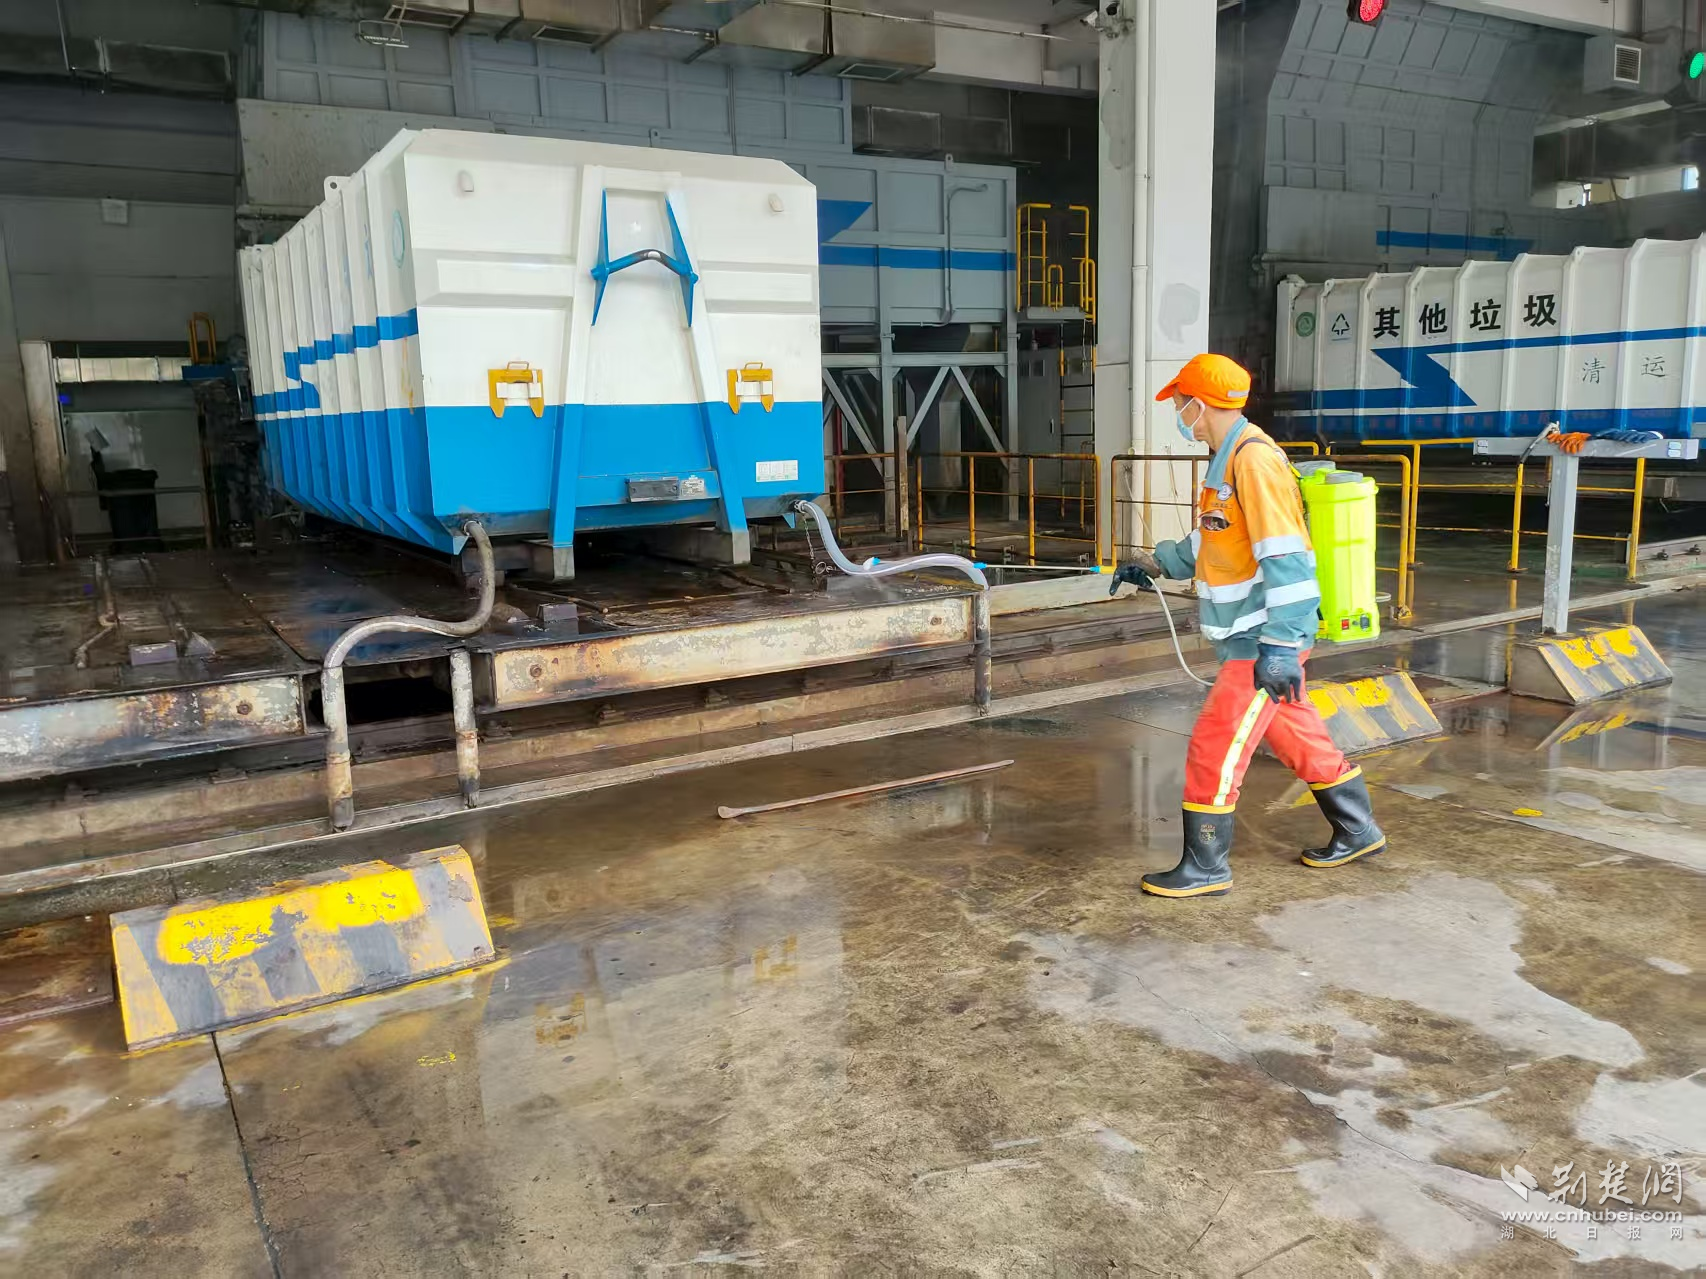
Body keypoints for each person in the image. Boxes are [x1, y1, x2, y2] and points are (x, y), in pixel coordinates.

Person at [1110, 353, 1385, 899]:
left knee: (1215, 744)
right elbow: (1213, 538)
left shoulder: (1253, 461)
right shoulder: (1227, 459)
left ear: (1199, 404)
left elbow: (1288, 558)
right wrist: (1156, 562)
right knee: (1297, 735)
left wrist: (1280, 646)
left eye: (1179, 404)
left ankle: (1206, 865)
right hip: (1250, 635)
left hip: (1262, 639)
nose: (1178, 414)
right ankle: (1358, 830)